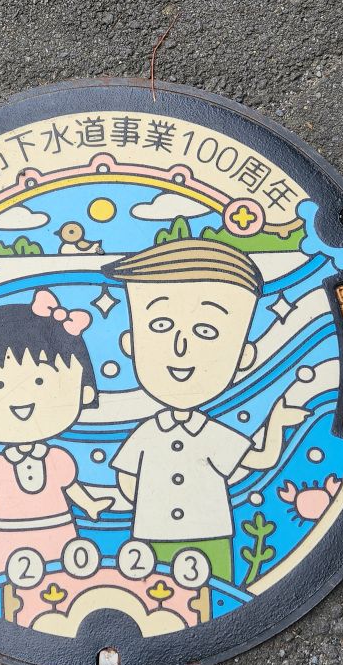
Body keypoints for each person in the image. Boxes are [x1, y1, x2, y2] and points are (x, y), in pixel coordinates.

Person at [103, 238, 308, 582]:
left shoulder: (212, 433)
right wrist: (147, 503)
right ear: (130, 343)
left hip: (209, 532)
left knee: (216, 588)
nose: (180, 346)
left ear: (244, 356)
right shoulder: (149, 432)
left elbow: (261, 459)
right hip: (153, 532)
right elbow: (126, 475)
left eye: (205, 330)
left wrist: (277, 420)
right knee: (153, 592)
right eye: (160, 325)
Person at [0, 290, 113, 579]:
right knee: (2, 579)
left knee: (62, 574)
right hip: (7, 535)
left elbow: (71, 486)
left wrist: (91, 505)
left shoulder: (58, 460)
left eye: (40, 380)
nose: (21, 398)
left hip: (58, 530)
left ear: (85, 392)